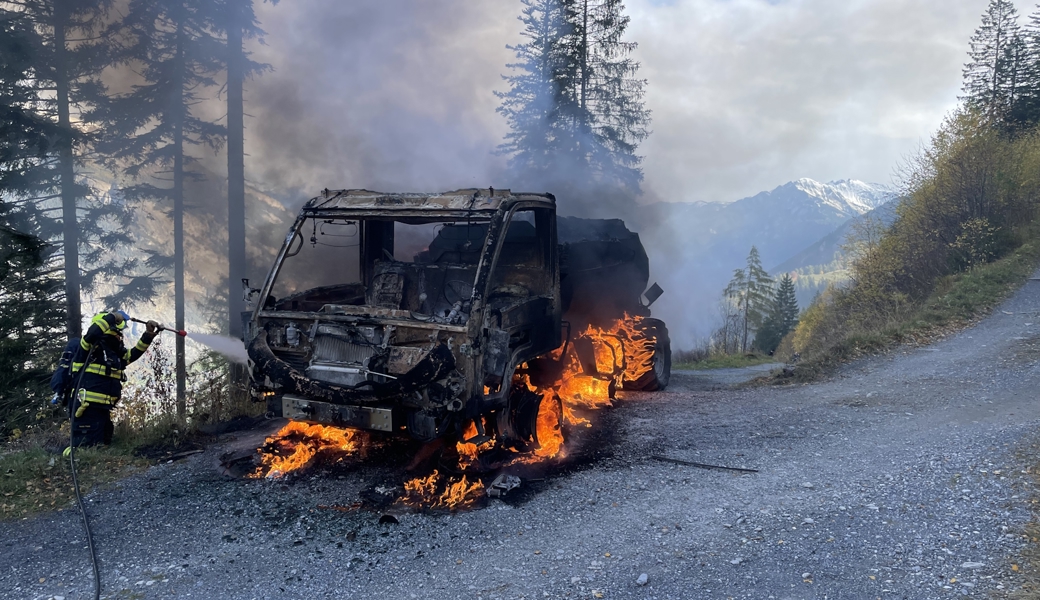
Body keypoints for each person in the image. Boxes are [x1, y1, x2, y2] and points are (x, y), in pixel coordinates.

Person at [64, 310, 158, 452]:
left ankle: (95, 466)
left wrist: (148, 335)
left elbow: (130, 355)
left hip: (102, 408)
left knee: (103, 443)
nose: (120, 337)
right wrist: (112, 317)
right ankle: (69, 462)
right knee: (84, 446)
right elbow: (93, 333)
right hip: (86, 408)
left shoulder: (113, 352)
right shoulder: (89, 346)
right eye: (118, 332)